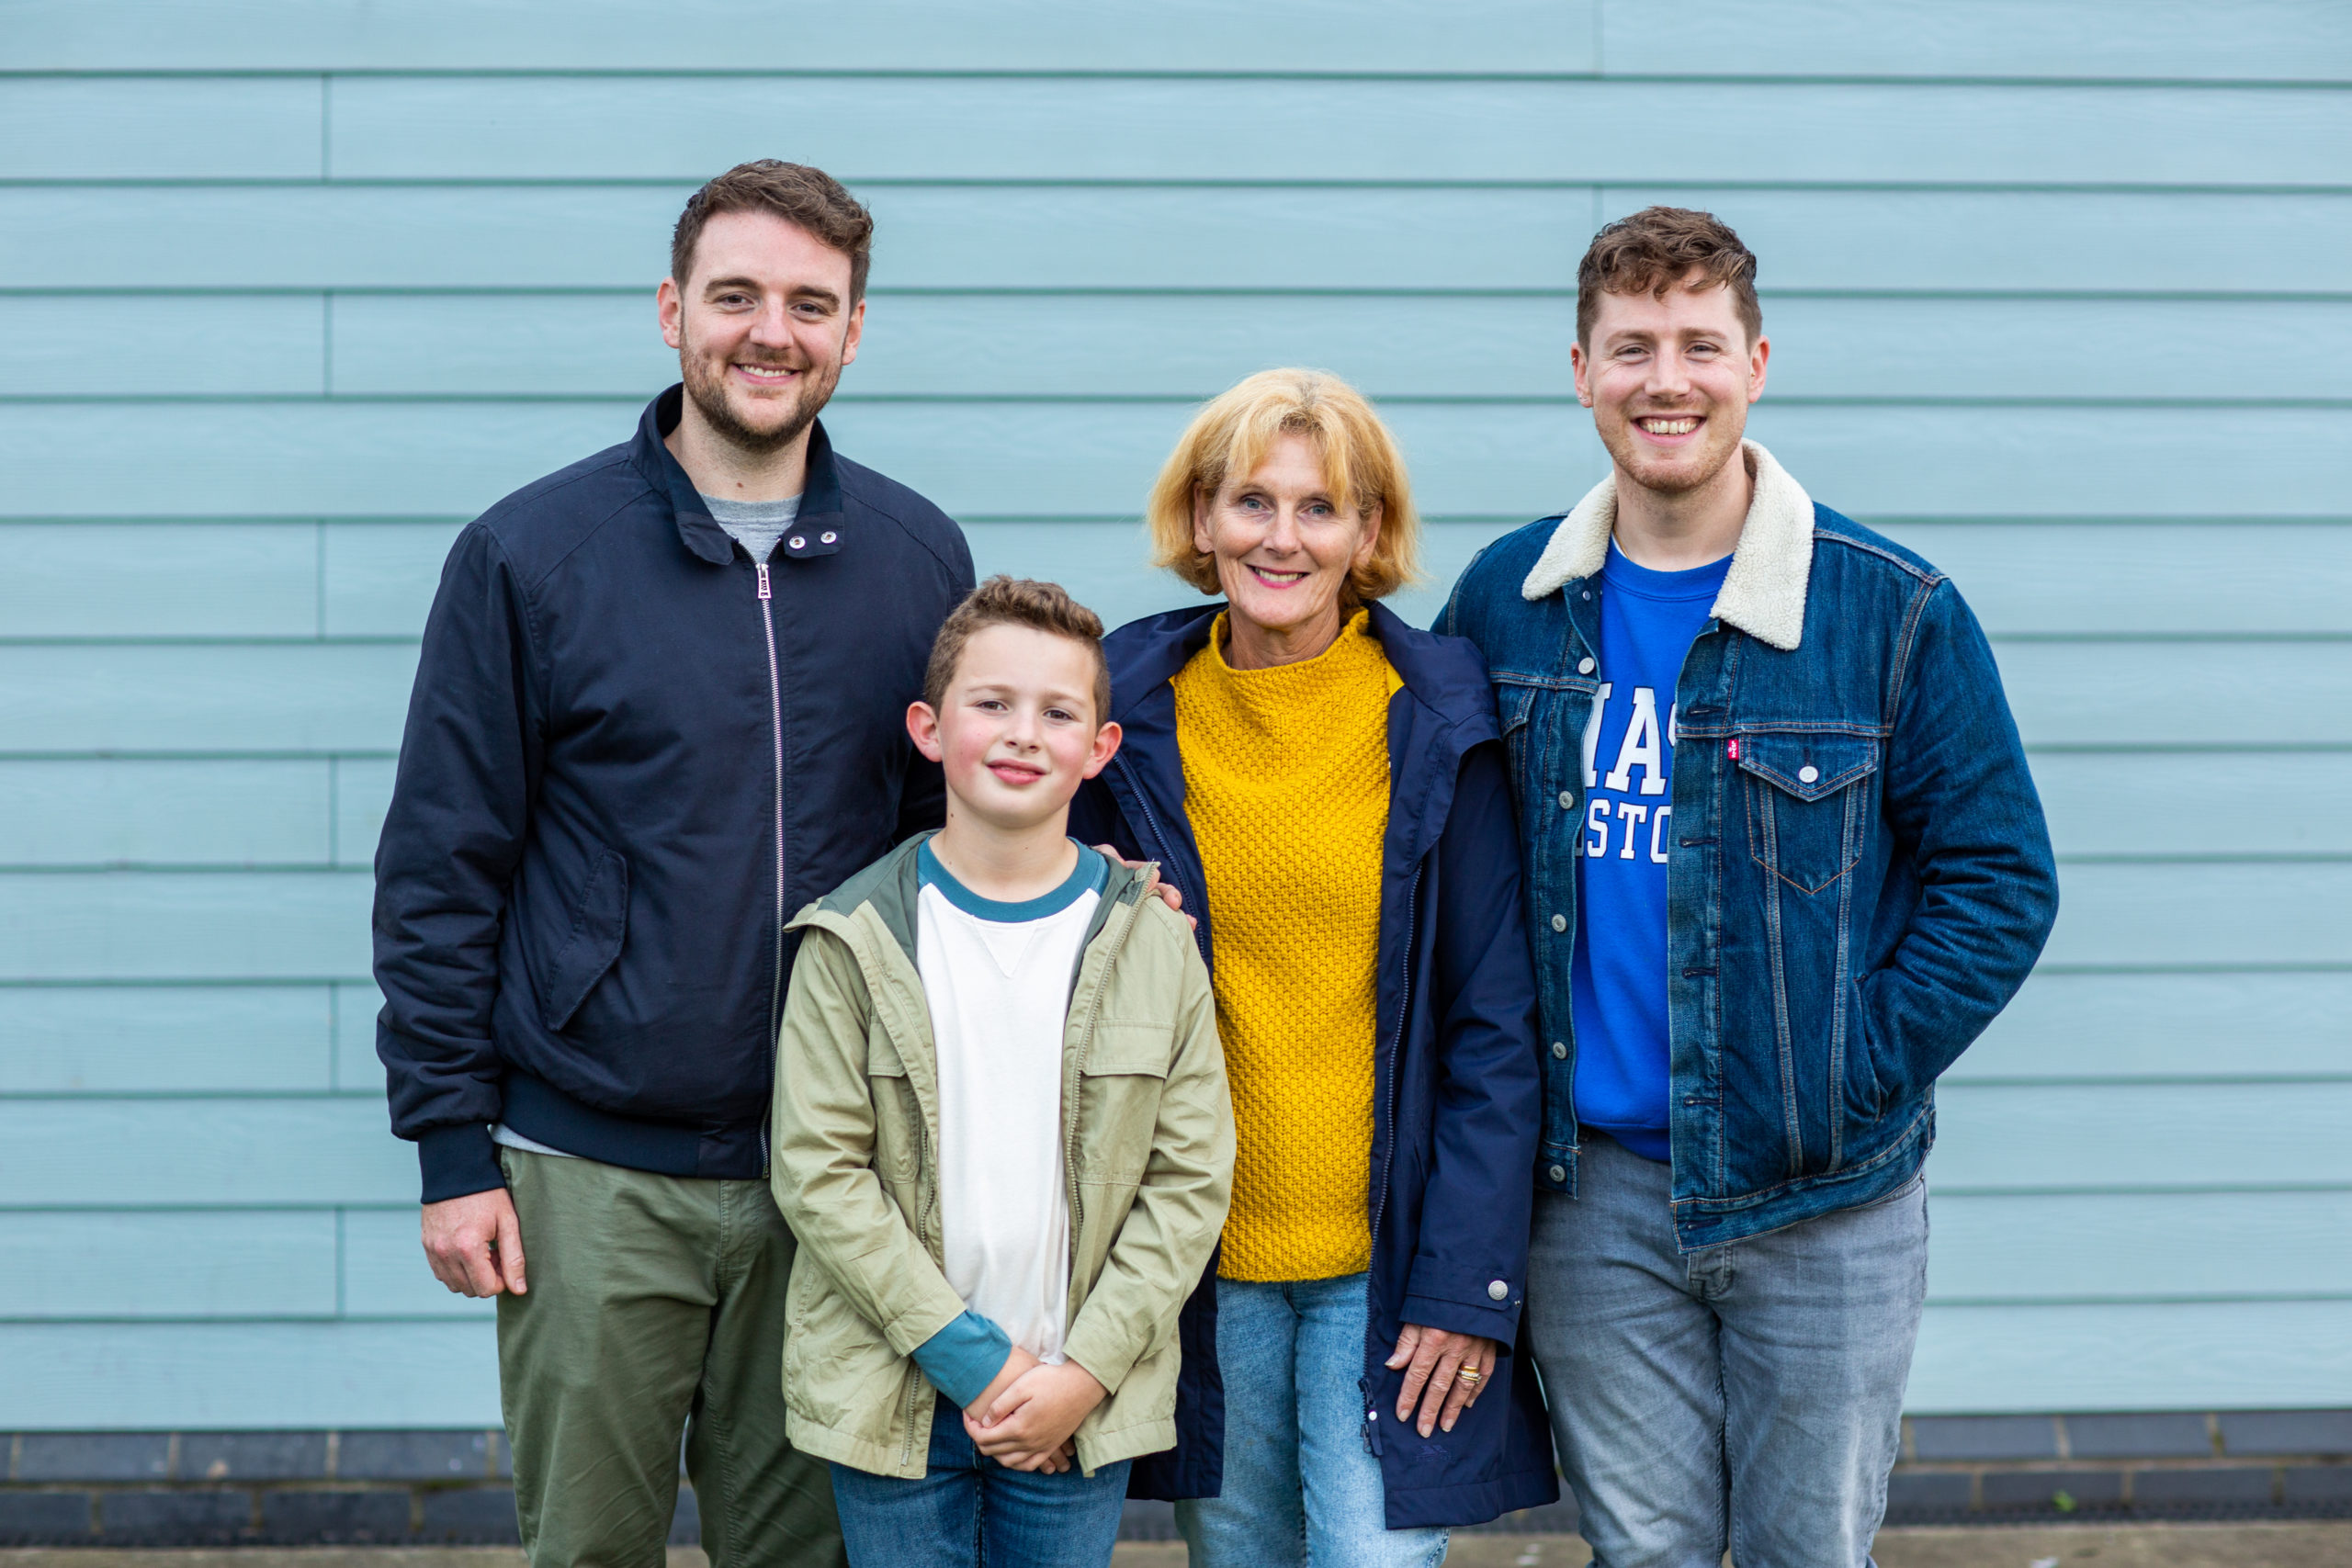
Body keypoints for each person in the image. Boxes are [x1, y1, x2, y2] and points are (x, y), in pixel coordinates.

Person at [371, 160, 976, 1568]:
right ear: (670, 311)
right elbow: (442, 865)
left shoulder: (914, 555)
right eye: (738, 295)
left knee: (808, 1554)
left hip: (830, 1178)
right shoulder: (530, 555)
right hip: (589, 1173)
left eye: (810, 304)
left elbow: (957, 842)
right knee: (589, 1549)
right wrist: (451, 1147)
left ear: (854, 330)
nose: (773, 331)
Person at [1439, 207, 2062, 1565]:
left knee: (1806, 1553)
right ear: (1582, 367)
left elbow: (2000, 878)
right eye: (1633, 346)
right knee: (1646, 1553)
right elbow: (1430, 854)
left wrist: (1846, 1068)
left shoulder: (1888, 607)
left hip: (1822, 1197)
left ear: (1758, 362)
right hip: (1590, 1202)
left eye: (1700, 344)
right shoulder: (1505, 601)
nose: (1668, 378)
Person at [1069, 369, 1557, 1567]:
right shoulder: (1114, 713)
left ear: (1370, 532)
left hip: (1384, 1268)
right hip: (1197, 1261)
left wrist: (1465, 1288)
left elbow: (1495, 1025)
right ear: (1199, 519)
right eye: (1250, 501)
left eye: (1320, 506)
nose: (1281, 536)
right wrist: (1102, 922)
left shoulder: (1442, 716)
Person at [769, 576, 1232, 1568]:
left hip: (1076, 1400)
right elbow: (819, 1174)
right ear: (929, 729)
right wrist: (973, 1361)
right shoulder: (851, 939)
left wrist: (1085, 1371)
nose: (1024, 734)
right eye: (992, 704)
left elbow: (1187, 1184)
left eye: (1058, 712)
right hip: (895, 1393)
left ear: (1098, 749)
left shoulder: (1151, 942)